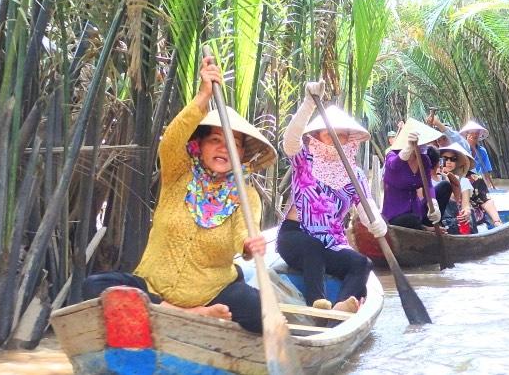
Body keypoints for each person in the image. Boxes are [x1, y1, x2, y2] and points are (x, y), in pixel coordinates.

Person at [81, 56, 276, 333]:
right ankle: (181, 313)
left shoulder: (245, 195)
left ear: (241, 155)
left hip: (212, 292)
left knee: (260, 311)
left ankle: (184, 311)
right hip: (154, 287)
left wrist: (249, 244)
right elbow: (171, 141)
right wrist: (203, 96)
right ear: (201, 145)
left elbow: (244, 232)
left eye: (232, 144)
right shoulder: (178, 174)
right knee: (94, 286)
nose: (223, 149)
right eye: (215, 140)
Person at [277, 80, 386, 314]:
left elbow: (366, 206)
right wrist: (308, 104)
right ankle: (317, 302)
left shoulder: (354, 173)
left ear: (350, 140)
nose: (337, 140)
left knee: (362, 263)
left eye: (343, 136)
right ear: (317, 136)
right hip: (296, 237)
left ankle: (340, 306)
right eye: (330, 135)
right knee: (312, 246)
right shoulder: (305, 160)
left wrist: (377, 222)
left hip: (332, 242)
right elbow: (290, 142)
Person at [381, 119, 444, 231]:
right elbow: (393, 165)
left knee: (445, 187)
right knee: (412, 220)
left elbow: (428, 185)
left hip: (416, 210)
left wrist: (433, 204)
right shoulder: (392, 155)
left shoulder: (424, 160)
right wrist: (408, 149)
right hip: (396, 215)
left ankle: (433, 225)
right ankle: (425, 229)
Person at [438, 143, 476, 234]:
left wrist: (466, 212)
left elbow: (465, 205)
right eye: (445, 159)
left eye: (453, 159)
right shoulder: (432, 180)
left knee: (468, 215)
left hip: (455, 219)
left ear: (456, 162)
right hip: (438, 219)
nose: (449, 162)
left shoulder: (463, 181)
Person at [460, 120, 497, 190]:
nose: (474, 135)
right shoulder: (462, 149)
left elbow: (486, 171)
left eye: (477, 133)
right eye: (472, 133)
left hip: (479, 181)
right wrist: (471, 146)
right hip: (465, 181)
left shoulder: (482, 151)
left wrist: (490, 186)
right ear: (466, 135)